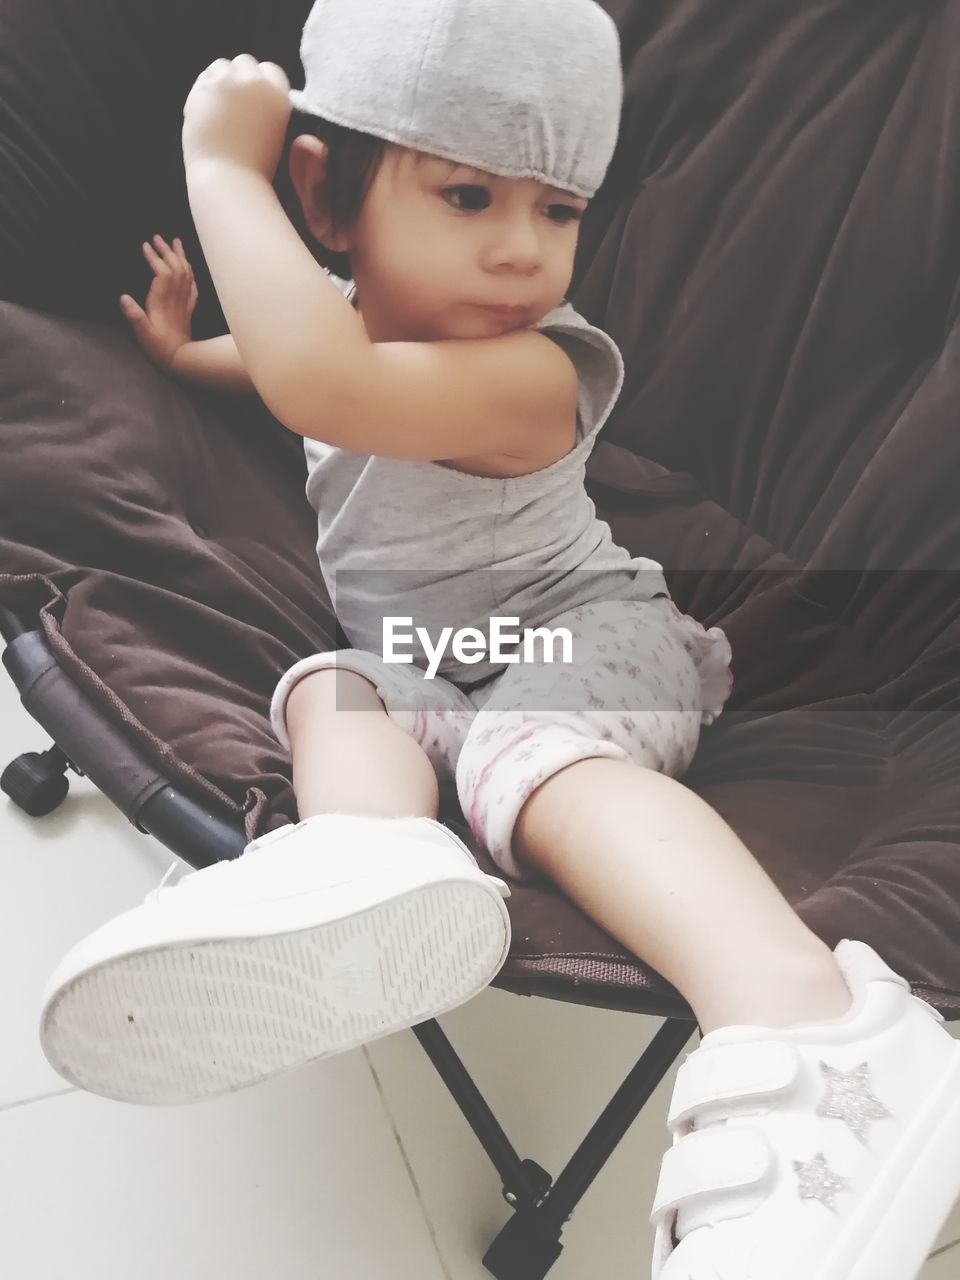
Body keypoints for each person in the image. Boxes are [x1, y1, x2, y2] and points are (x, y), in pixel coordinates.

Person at [38, 2, 960, 1276]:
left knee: (531, 753)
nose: (525, 250)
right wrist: (179, 351)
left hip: (595, 631)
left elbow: (316, 378)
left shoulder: (532, 370)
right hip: (426, 649)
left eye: (559, 210)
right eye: (471, 197)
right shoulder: (349, 320)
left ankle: (824, 1020)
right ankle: (366, 867)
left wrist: (217, 166)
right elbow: (277, 355)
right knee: (332, 686)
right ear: (330, 196)